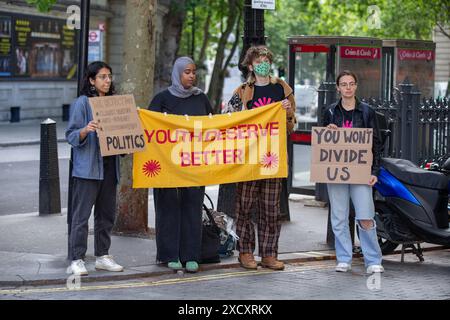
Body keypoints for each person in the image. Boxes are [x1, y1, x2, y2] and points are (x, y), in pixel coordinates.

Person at [223, 45, 296, 270]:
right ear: (250, 65)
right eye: (258, 60)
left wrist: (288, 112)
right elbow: (228, 119)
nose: (263, 63)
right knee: (244, 207)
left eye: (266, 59)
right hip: (249, 158)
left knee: (271, 209)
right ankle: (245, 252)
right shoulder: (242, 91)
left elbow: (293, 125)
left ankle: (269, 254)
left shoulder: (282, 89)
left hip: (273, 158)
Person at [148, 56, 213, 273]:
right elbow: (149, 128)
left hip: (194, 164)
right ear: (177, 74)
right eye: (187, 72)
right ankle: (169, 254)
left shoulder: (201, 99)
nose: (192, 75)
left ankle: (191, 255)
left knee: (192, 208)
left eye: (194, 71)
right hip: (167, 166)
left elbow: (213, 125)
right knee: (168, 209)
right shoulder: (162, 99)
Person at [323, 70, 384, 274]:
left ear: (356, 86)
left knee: (366, 216)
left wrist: (375, 170)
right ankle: (344, 258)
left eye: (351, 83)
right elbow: (323, 144)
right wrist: (328, 130)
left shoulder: (367, 112)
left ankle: (373, 260)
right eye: (344, 84)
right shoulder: (330, 112)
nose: (348, 87)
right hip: (337, 172)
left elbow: (376, 144)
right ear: (338, 88)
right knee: (339, 218)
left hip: (361, 172)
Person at [66, 61, 123, 276]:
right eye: (102, 77)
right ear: (91, 80)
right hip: (87, 170)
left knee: (106, 216)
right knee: (81, 217)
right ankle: (77, 259)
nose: (107, 81)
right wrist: (85, 130)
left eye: (109, 76)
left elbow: (122, 136)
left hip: (109, 168)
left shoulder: (114, 103)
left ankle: (102, 256)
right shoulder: (82, 104)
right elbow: (70, 135)